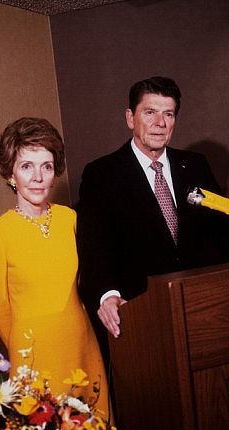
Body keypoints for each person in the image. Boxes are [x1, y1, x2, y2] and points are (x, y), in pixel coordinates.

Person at [76, 76, 229, 355]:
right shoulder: (102, 174)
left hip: (202, 315)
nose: (160, 123)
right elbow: (94, 249)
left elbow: (220, 234)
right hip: (140, 320)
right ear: (130, 118)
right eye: (150, 112)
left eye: (168, 114)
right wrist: (108, 296)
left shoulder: (195, 165)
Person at [0, 117, 109, 415]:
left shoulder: (70, 220)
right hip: (33, 356)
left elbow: (90, 279)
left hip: (82, 344)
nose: (38, 176)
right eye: (27, 166)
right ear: (11, 173)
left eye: (46, 166)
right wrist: (25, 352)